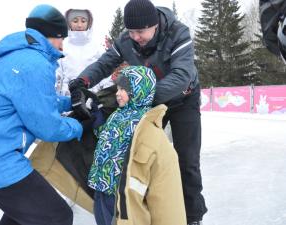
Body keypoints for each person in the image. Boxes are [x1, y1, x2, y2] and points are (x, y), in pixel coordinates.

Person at [68, 0, 207, 224]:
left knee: (187, 160)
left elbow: (182, 75)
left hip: (183, 100)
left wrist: (140, 97)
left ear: (155, 26)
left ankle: (192, 216)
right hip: (147, 102)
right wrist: (80, 82)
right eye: (131, 31)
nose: (135, 37)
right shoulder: (126, 39)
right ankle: (141, 208)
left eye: (140, 31)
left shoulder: (178, 33)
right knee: (139, 156)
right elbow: (104, 64)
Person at [0, 4, 83, 225]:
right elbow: (47, 127)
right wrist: (77, 125)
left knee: (23, 216)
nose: (62, 45)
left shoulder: (16, 56)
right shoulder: (36, 65)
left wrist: (67, 102)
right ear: (50, 35)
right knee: (57, 217)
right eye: (61, 37)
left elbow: (32, 99)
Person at [87, 65, 186, 225]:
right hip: (101, 184)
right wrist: (97, 120)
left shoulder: (144, 122)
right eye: (117, 88)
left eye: (123, 89)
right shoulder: (117, 114)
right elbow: (106, 137)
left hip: (117, 190)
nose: (117, 93)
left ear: (137, 91)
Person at [56, 8, 112, 97]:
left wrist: (102, 97)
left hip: (92, 97)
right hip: (67, 98)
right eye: (75, 21)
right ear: (68, 23)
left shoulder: (97, 47)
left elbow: (105, 73)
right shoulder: (62, 46)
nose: (79, 25)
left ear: (88, 22)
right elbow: (57, 75)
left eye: (83, 21)